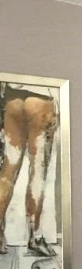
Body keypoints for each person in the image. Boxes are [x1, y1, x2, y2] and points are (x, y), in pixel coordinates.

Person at [0, 83, 59, 257]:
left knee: (8, 170)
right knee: (38, 171)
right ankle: (35, 237)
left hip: (13, 99)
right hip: (41, 100)